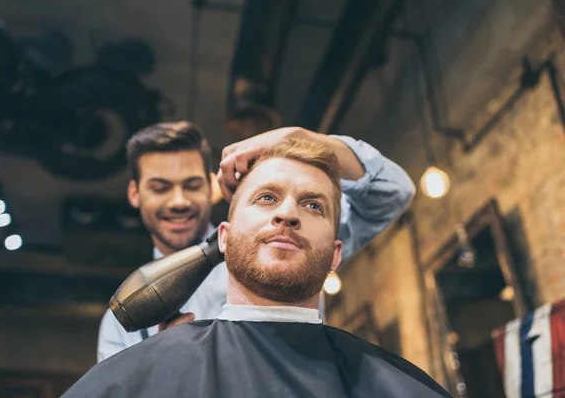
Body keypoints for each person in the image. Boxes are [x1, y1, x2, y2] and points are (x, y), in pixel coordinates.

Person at [66, 138, 448, 398]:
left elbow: (392, 188)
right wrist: (169, 368)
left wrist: (298, 135)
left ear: (335, 254)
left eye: (313, 205)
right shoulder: (137, 366)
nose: (287, 213)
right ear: (225, 239)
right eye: (267, 197)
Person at [97, 121, 416, 362]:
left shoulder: (282, 240)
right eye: (160, 187)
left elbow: (393, 190)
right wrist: (159, 369)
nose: (178, 201)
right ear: (135, 194)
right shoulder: (123, 316)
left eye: (191, 184)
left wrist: (303, 138)